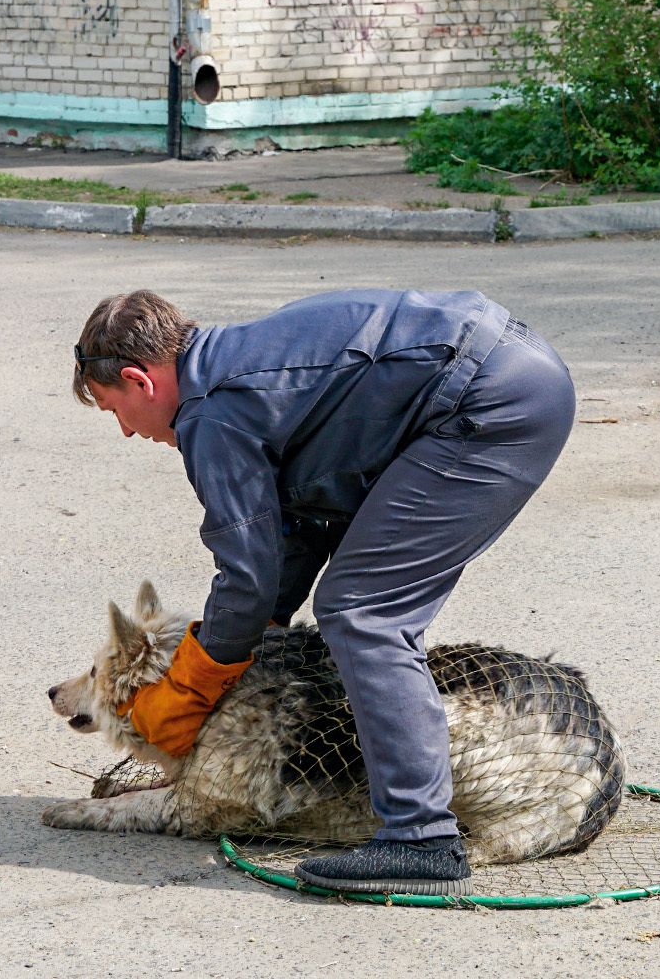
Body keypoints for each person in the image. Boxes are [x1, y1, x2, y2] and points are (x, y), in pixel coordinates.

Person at [72, 288, 575, 896]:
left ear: (139, 379)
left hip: (489, 402)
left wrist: (196, 682)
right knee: (358, 602)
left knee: (363, 611)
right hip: (508, 370)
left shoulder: (210, 412)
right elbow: (302, 517)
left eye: (113, 409)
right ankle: (405, 799)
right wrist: (266, 630)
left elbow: (247, 572)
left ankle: (420, 840)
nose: (126, 431)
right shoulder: (234, 364)